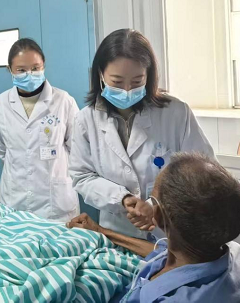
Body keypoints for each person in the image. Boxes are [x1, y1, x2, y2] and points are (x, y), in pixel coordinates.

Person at [70, 29, 213, 239]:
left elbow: (202, 171)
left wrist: (156, 205)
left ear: (149, 75)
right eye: (117, 82)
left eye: (137, 82)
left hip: (171, 233)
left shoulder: (176, 113)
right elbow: (82, 176)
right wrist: (122, 199)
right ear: (100, 74)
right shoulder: (86, 120)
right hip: (118, 232)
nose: (127, 90)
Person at [67, 153, 240, 302]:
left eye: (152, 199)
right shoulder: (231, 253)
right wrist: (101, 231)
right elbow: (163, 252)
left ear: (157, 215)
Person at [0, 38, 80, 221]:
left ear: (43, 66)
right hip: (14, 200)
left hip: (55, 204)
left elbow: (78, 149)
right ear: (10, 70)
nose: (29, 74)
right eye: (21, 70)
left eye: (35, 68)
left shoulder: (64, 101)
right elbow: (2, 150)